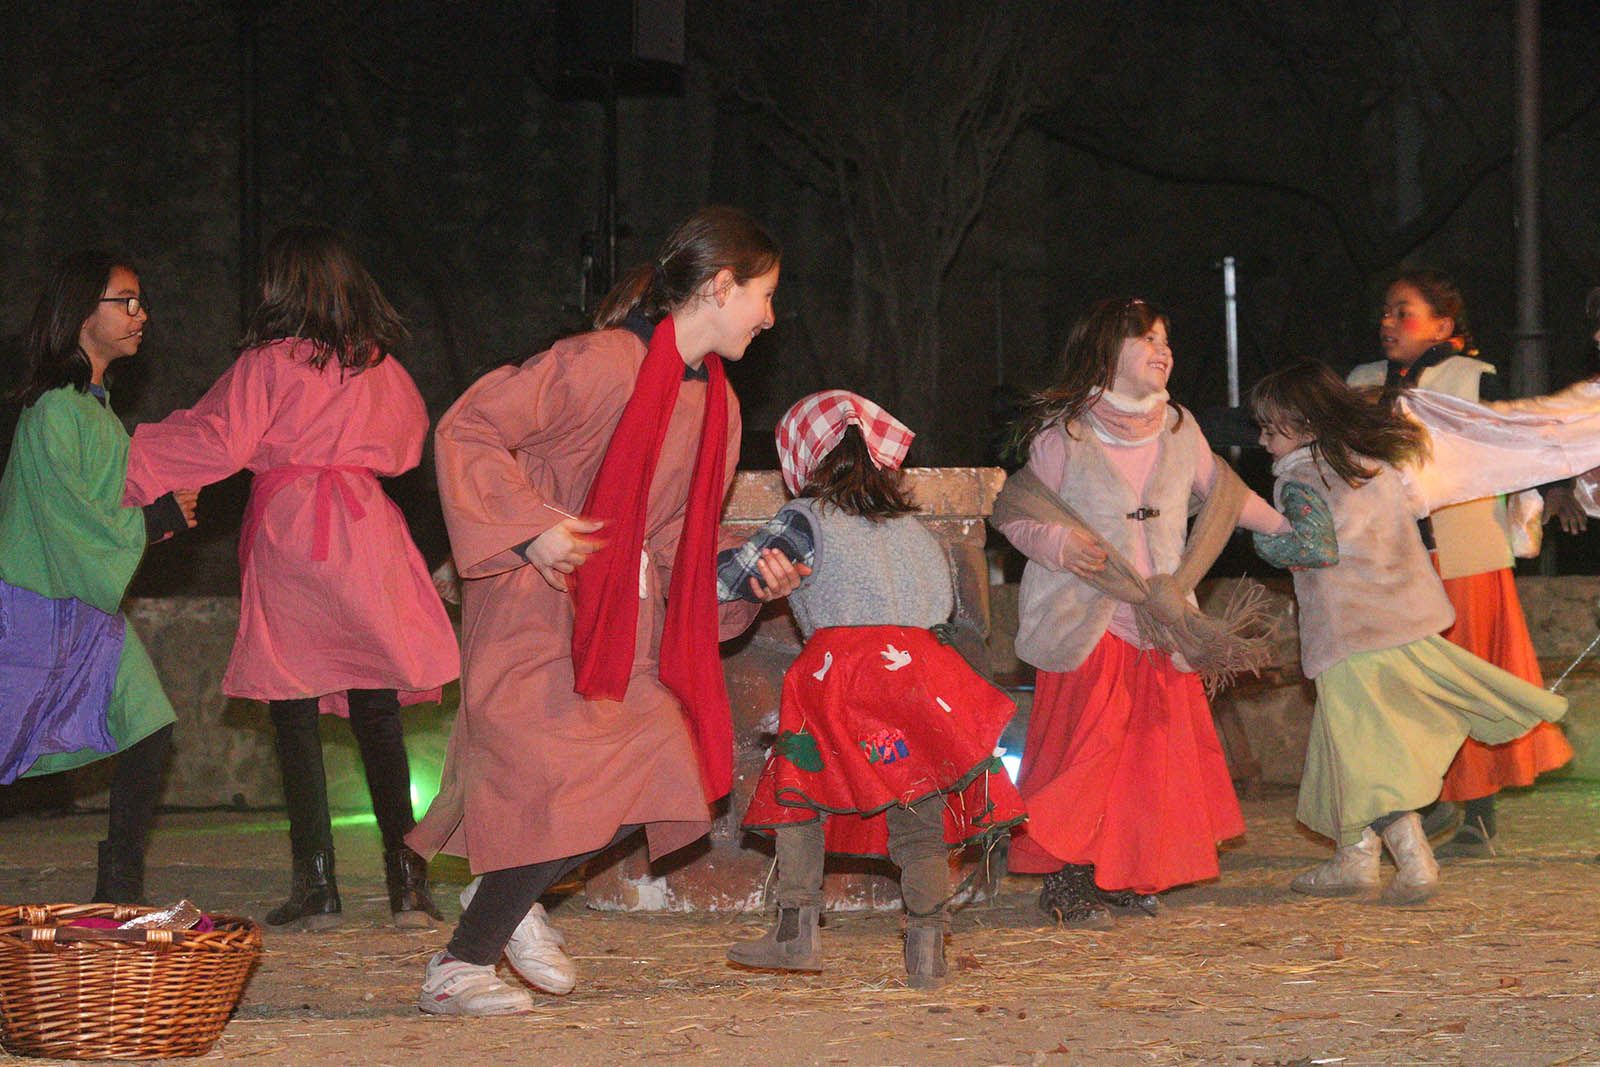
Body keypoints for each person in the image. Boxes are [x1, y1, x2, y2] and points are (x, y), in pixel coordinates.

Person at [406, 206, 804, 1016]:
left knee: (663, 757)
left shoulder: (718, 411)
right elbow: (467, 428)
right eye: (763, 294)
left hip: (622, 615)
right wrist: (529, 531)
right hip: (534, 599)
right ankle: (461, 963)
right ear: (720, 286)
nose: (771, 315)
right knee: (560, 773)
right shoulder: (598, 365)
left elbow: (671, 543)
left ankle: (505, 902)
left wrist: (740, 583)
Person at [121, 225, 459, 930]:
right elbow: (406, 443)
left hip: (292, 528)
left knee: (292, 700)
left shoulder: (268, 361)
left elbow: (219, 439)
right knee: (377, 704)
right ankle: (408, 883)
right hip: (365, 525)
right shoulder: (377, 363)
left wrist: (131, 453)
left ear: (284, 287)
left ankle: (317, 884)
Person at [993, 297, 1290, 926]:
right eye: (1146, 339)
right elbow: (1017, 511)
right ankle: (1072, 875)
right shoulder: (1065, 434)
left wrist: (1290, 534)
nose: (1163, 350)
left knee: (1148, 760)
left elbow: (1226, 496)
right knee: (1090, 751)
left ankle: (1124, 873)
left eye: (1165, 339)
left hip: (1162, 620)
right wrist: (1061, 544)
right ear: (1105, 351)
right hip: (1088, 622)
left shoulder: (1181, 429)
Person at [722, 391, 1025, 989]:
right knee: (917, 799)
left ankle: (797, 932)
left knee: (802, 791)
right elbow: (945, 605)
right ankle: (927, 948)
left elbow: (739, 578)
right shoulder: (914, 531)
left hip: (843, 668)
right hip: (921, 666)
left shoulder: (808, 516)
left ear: (802, 457)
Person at [1251, 360, 1567, 903]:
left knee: (1363, 753)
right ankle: (1354, 858)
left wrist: (1261, 535)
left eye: (1270, 430)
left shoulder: (1302, 479)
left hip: (1350, 632)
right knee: (1349, 743)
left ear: (1303, 428)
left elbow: (1315, 548)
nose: (1261, 441)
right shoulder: (1373, 464)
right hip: (1402, 620)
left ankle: (1413, 859)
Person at [1347, 272, 1572, 857]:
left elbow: (1526, 441)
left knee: (1466, 677)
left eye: (1405, 312)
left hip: (1464, 552)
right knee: (1406, 685)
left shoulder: (1473, 378)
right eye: (1386, 312)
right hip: (1391, 555)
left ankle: (1475, 816)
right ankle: (1424, 802)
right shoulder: (1361, 384)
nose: (1388, 322)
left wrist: (1560, 487)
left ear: (1443, 326)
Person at [0, 251, 196, 903]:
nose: (142, 314)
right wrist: (155, 519)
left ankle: (118, 890)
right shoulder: (55, 410)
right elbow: (66, 519)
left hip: (83, 611)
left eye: (141, 302)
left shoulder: (95, 410)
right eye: (126, 301)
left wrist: (153, 516)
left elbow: (99, 512)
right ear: (83, 312)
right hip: (34, 612)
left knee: (148, 721)